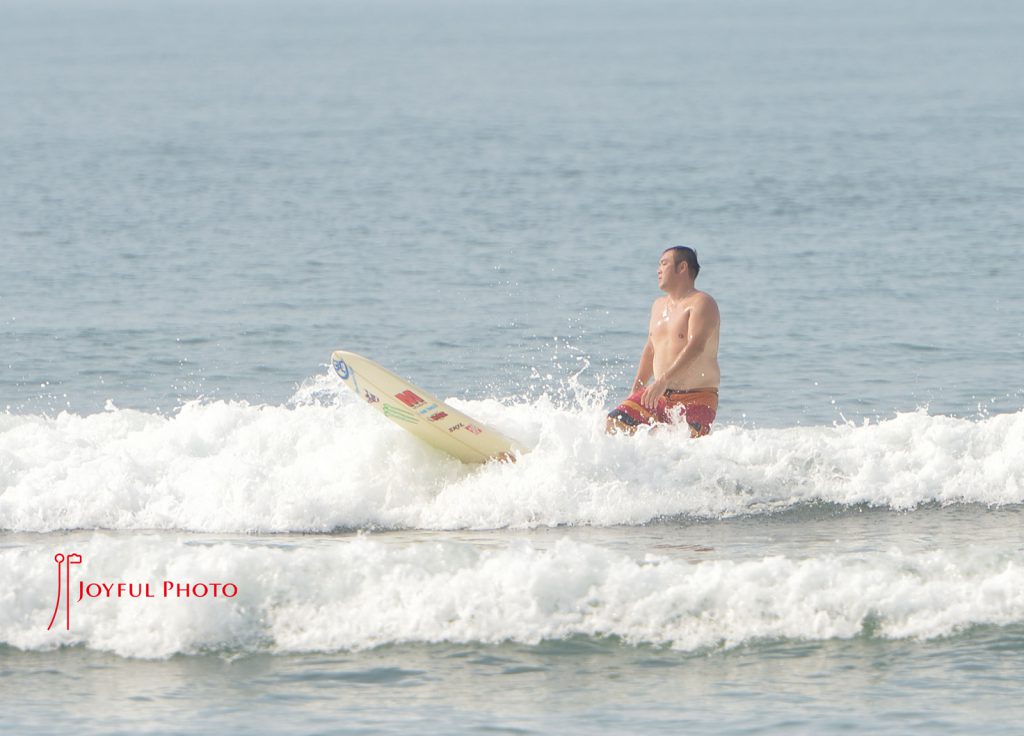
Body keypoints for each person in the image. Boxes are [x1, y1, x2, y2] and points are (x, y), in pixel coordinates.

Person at [606, 246, 721, 437]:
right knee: (615, 423)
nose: (658, 270)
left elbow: (696, 347)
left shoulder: (702, 302)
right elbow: (651, 348)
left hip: (697, 397)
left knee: (688, 445)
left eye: (664, 263)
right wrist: (637, 387)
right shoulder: (658, 305)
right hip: (658, 395)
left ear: (682, 267)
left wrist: (663, 380)